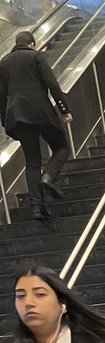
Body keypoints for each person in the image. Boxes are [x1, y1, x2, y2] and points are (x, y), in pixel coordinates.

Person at [0, 30, 72, 220]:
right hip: (41, 112)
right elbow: (52, 84)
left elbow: (1, 96)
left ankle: (36, 208)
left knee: (32, 162)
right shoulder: (35, 56)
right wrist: (65, 110)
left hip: (18, 117)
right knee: (61, 147)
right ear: (32, 43)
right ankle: (49, 177)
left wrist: (4, 121)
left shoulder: (4, 63)